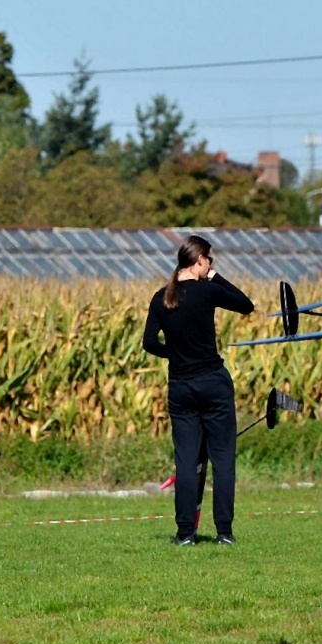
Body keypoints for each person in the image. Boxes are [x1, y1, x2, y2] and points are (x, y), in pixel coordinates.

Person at [142, 234, 254, 545]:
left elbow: (149, 343)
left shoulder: (161, 297)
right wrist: (217, 277)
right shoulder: (207, 291)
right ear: (199, 259)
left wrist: (174, 354)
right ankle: (225, 532)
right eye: (210, 261)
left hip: (181, 387)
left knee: (186, 460)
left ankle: (184, 533)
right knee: (222, 458)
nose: (212, 266)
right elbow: (246, 305)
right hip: (213, 383)